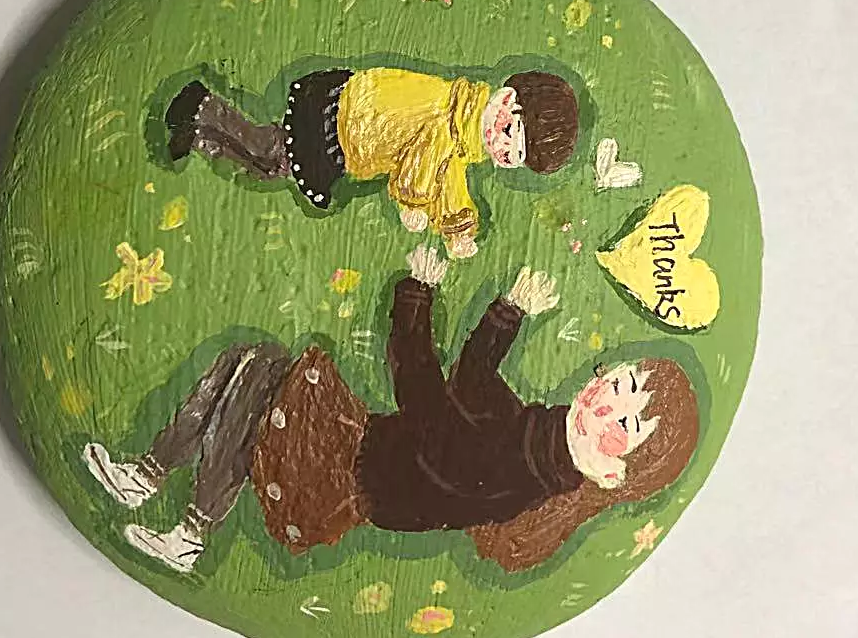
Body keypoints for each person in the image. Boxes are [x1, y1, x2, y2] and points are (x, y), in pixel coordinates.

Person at [83, 246, 700, 574]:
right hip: (353, 442)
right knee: (259, 360)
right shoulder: (533, 437)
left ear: (613, 473)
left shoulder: (522, 471)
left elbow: (426, 402)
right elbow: (473, 385)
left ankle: (191, 531)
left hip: (341, 480)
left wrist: (416, 299)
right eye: (621, 384)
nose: (606, 403)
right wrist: (507, 312)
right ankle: (149, 474)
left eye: (626, 423)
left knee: (257, 395)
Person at [164, 62, 579, 258]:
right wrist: (413, 204)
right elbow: (420, 167)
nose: (503, 149)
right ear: (506, 99)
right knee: (270, 156)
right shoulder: (449, 119)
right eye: (511, 133)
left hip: (351, 125)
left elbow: (448, 175)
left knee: (271, 159)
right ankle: (200, 107)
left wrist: (458, 226)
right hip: (342, 121)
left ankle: (200, 132)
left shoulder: (463, 124)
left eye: (514, 156)